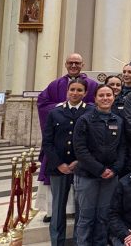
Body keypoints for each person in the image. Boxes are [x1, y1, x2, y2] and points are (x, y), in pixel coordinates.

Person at [36, 53, 99, 221]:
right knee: (57, 177)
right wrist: (60, 106)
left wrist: (83, 109)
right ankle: (54, 212)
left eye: (77, 63)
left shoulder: (92, 84)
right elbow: (42, 103)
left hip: (82, 144)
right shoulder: (55, 84)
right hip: (60, 142)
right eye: (70, 62)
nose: (73, 65)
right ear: (65, 64)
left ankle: (76, 211)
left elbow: (100, 103)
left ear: (82, 64)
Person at [42, 78, 94, 246]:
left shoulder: (91, 112)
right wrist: (59, 164)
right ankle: (57, 242)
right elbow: (47, 142)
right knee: (58, 208)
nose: (75, 93)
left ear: (85, 93)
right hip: (59, 168)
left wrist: (79, 161)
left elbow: (94, 140)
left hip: (83, 167)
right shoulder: (55, 113)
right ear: (67, 91)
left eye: (79, 90)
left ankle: (80, 241)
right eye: (72, 89)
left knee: (81, 208)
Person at [73, 84, 126, 245]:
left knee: (104, 217)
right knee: (86, 217)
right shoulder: (84, 120)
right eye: (101, 95)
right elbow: (80, 150)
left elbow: (122, 148)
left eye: (108, 95)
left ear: (114, 97)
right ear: (95, 99)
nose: (105, 98)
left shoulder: (118, 121)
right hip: (88, 176)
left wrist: (115, 169)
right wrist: (100, 169)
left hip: (110, 178)